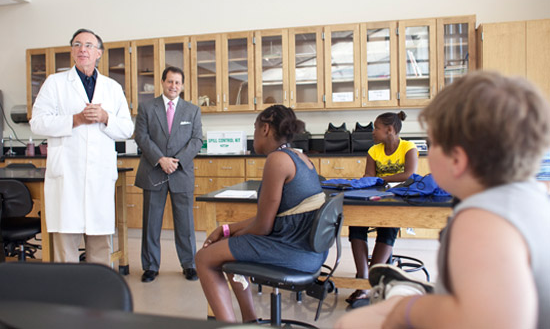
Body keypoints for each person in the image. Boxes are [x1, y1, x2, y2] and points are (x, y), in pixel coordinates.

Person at [335, 71, 550, 328]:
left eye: (431, 143)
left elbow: (491, 320)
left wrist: (406, 308)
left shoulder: (483, 222)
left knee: (349, 325)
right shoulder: (531, 197)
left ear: (457, 160)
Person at [195, 105, 327, 323]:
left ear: (265, 128)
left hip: (293, 251)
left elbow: (263, 227)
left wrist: (235, 236)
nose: (254, 133)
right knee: (228, 250)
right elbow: (272, 217)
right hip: (309, 251)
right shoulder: (299, 157)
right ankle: (250, 322)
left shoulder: (277, 160)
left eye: (254, 128)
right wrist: (227, 229)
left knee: (204, 258)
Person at [30, 28, 134, 265]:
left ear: (99, 52)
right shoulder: (55, 83)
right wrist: (74, 119)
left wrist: (106, 117)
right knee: (65, 241)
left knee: (100, 243)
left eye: (88, 45)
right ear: (72, 51)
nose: (82, 49)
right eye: (77, 44)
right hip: (67, 175)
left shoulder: (112, 87)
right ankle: (67, 296)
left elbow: (127, 129)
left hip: (99, 176)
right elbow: (37, 122)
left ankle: (97, 294)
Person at [134, 66, 203, 283]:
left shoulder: (192, 110)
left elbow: (197, 140)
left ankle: (189, 264)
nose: (173, 86)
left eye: (177, 82)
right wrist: (160, 159)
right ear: (162, 82)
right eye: (170, 81)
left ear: (182, 86)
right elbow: (141, 137)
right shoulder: (146, 107)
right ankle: (150, 266)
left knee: (185, 224)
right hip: (154, 171)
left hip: (181, 172)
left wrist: (177, 161)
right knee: (151, 223)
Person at [346, 111, 418, 305]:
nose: (372, 132)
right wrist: (378, 180)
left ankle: (373, 278)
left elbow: (409, 175)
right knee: (356, 224)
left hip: (399, 200)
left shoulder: (408, 147)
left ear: (389, 130)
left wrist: (381, 178)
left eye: (376, 128)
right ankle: (363, 277)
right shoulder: (373, 150)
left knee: (388, 227)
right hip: (375, 198)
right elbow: (369, 176)